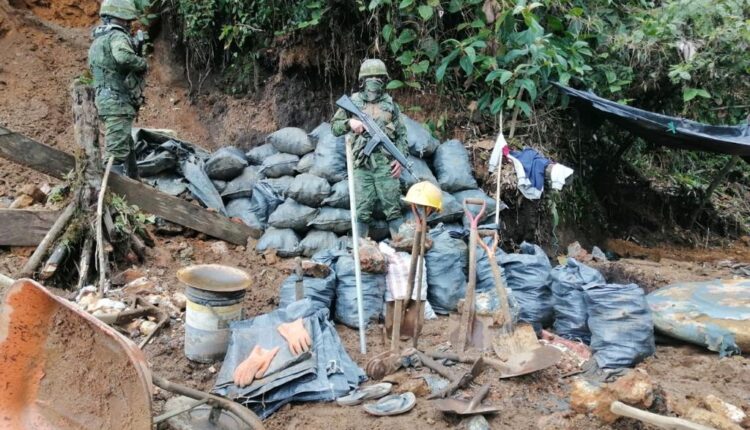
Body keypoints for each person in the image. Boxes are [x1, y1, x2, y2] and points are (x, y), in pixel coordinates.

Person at [331, 59, 408, 238]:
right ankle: (360, 249)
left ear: (384, 80)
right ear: (362, 80)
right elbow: (334, 127)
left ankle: (400, 247)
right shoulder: (353, 102)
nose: (374, 80)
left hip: (385, 165)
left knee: (393, 207)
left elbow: (402, 135)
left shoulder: (390, 105)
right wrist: (350, 122)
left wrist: (400, 159)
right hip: (361, 164)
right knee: (361, 209)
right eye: (370, 77)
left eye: (378, 77)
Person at [88, 0, 148, 179]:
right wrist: (142, 63)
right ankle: (109, 194)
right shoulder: (117, 37)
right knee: (116, 154)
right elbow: (123, 57)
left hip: (106, 100)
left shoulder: (98, 40)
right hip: (117, 102)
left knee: (126, 146)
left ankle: (135, 187)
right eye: (128, 20)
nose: (129, 24)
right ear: (122, 18)